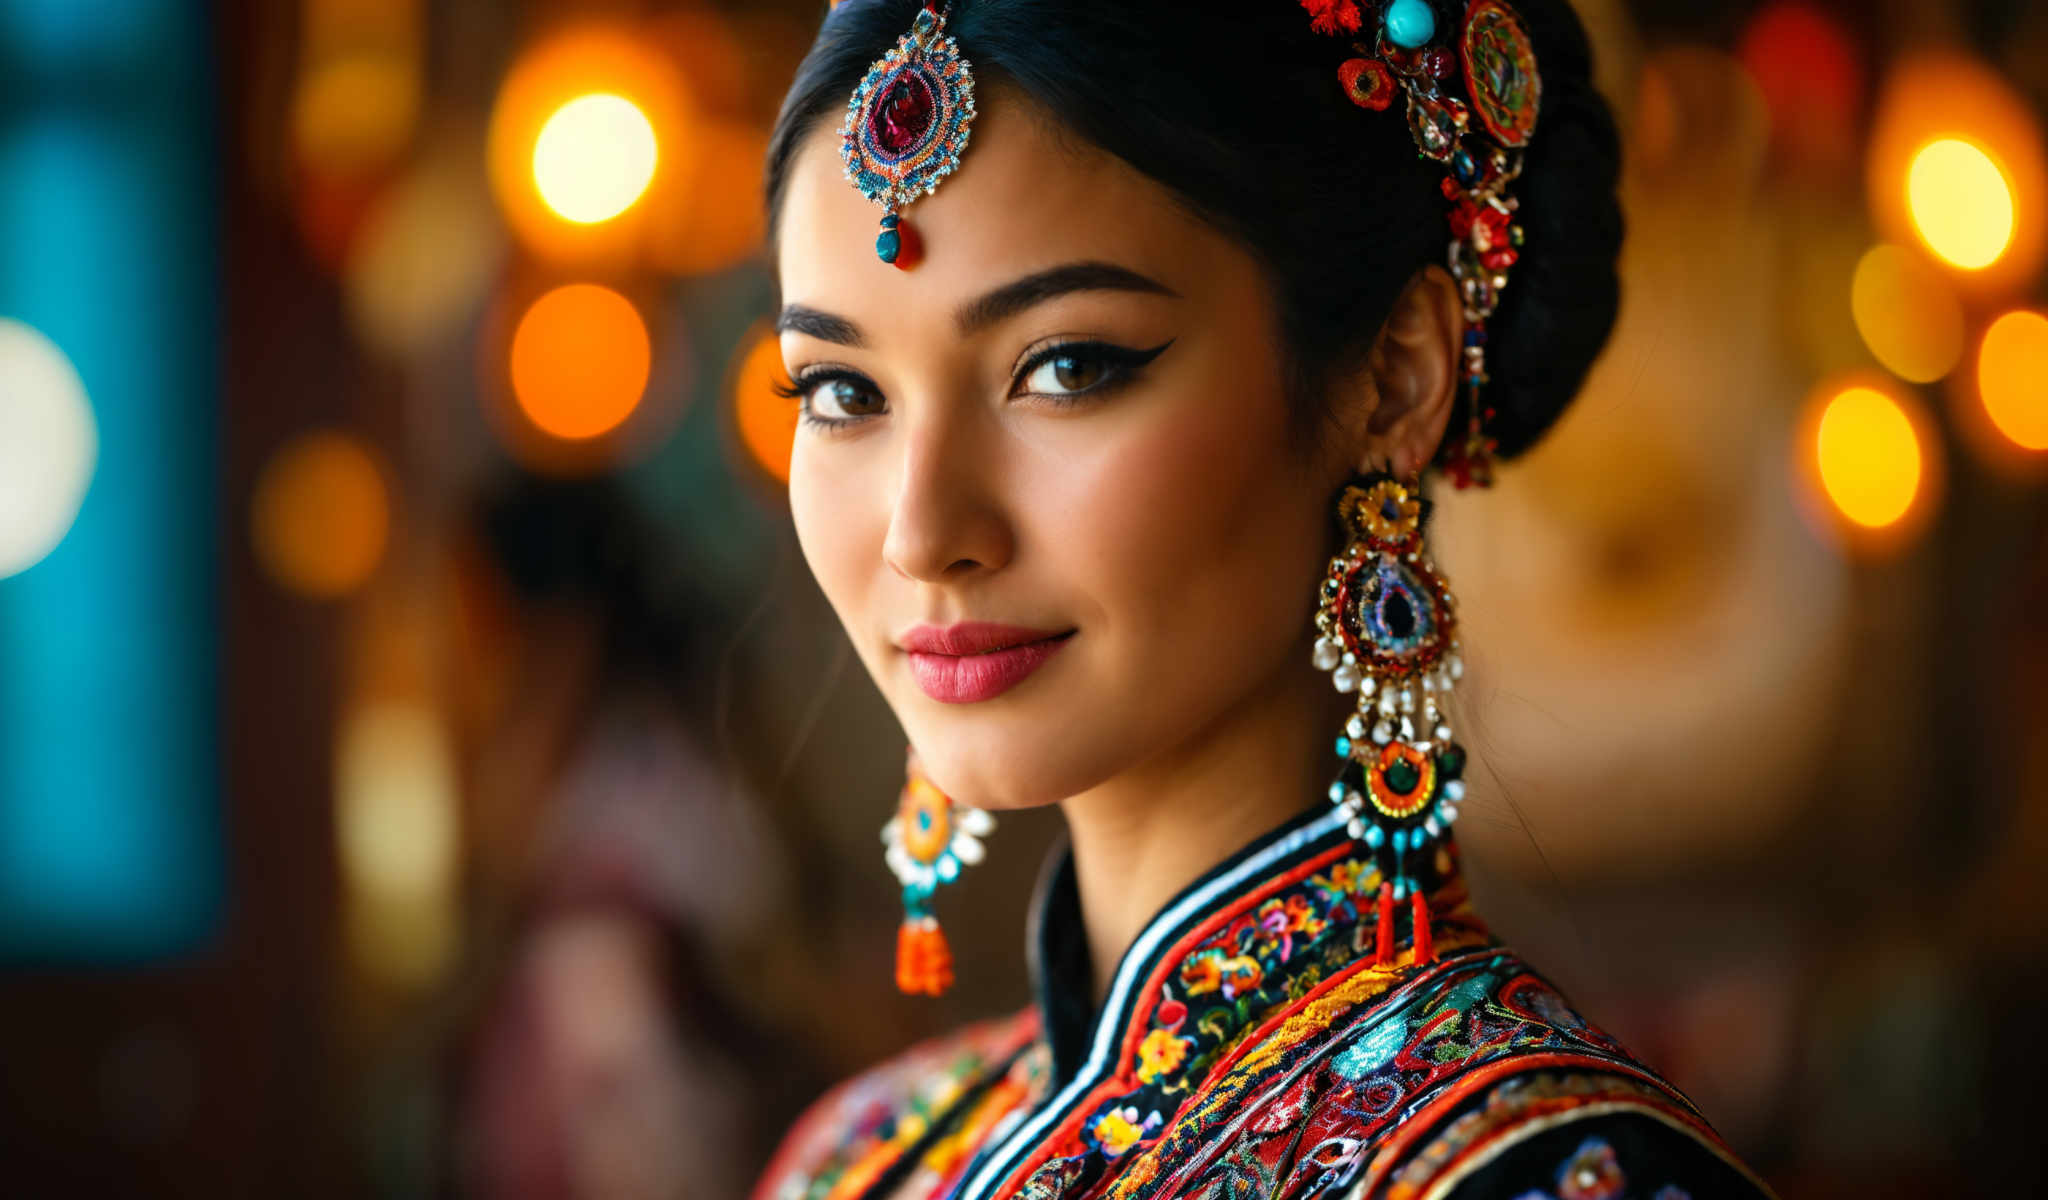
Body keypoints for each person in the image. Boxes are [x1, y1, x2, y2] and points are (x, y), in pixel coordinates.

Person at [752, 1, 1778, 1197]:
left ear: (1392, 382)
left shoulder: (1540, 1174)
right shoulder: (855, 1162)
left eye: (1066, 367)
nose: (922, 532)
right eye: (838, 390)